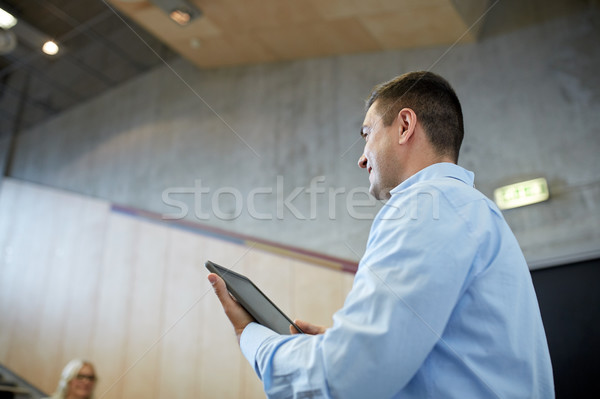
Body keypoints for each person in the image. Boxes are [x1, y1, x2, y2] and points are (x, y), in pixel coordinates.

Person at [208, 71, 555, 398]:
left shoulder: (426, 204)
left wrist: (251, 337)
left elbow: (347, 377)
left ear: (404, 126)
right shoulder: (472, 210)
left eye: (367, 134)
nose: (361, 158)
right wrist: (344, 343)